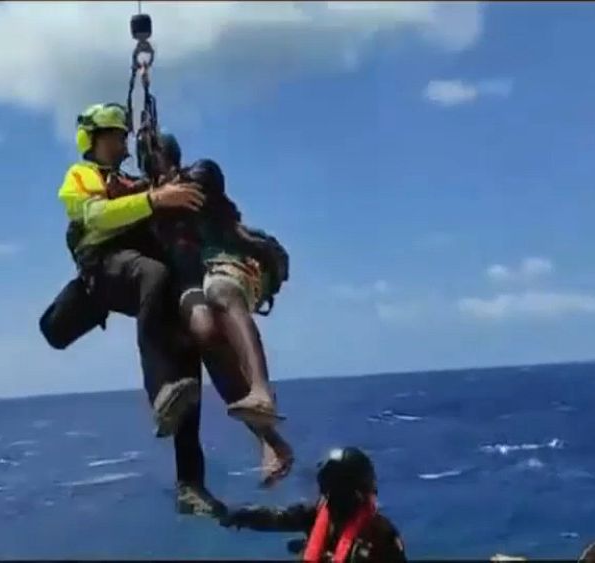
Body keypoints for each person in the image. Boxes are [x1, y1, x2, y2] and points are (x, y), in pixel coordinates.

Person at [41, 102, 223, 515]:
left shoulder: (133, 182)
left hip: (134, 274)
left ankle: (190, 485)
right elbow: (97, 216)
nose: (120, 142)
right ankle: (158, 392)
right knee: (154, 275)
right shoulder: (81, 176)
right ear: (92, 139)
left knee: (185, 349)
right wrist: (157, 198)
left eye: (122, 136)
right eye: (113, 135)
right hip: (103, 268)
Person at [138, 132, 295, 485]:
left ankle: (261, 390)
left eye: (158, 159)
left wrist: (164, 191)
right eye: (148, 164)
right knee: (206, 334)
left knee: (221, 291)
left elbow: (200, 184)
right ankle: (272, 442)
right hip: (197, 280)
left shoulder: (199, 176)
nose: (155, 169)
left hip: (240, 260)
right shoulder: (151, 202)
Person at [220, 447, 407, 563]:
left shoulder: (380, 533)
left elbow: (278, 517)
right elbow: (275, 517)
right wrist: (239, 514)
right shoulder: (317, 516)